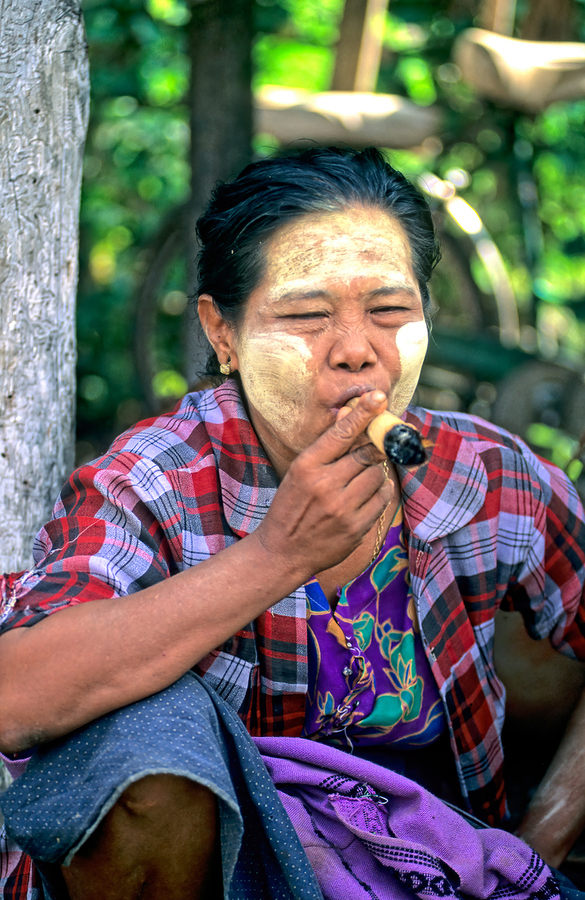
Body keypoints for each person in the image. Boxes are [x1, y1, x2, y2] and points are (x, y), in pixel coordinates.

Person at [1, 146, 585, 900]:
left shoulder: (484, 474)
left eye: (390, 311)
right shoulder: (157, 478)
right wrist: (278, 555)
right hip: (214, 873)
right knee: (143, 735)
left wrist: (539, 840)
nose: (355, 353)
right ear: (223, 334)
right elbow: (14, 698)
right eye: (306, 317)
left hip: (431, 868)